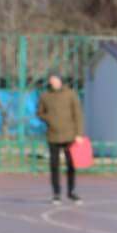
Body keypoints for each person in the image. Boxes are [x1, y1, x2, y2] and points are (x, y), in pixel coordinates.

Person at [37, 73, 85, 205]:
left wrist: (79, 134)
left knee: (71, 165)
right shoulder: (45, 96)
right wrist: (49, 118)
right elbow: (39, 113)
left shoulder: (70, 94)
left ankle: (71, 192)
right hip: (53, 135)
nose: (53, 83)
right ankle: (56, 193)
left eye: (55, 80)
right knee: (54, 166)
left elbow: (78, 114)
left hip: (70, 135)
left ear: (60, 81)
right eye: (51, 81)